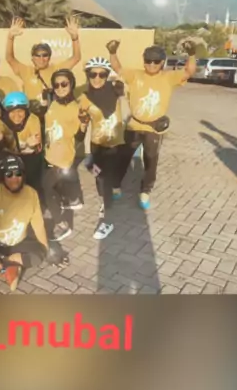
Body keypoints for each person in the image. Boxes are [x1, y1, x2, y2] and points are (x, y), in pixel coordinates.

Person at [107, 39, 197, 209]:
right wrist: (112, 52)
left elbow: (189, 71)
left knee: (151, 161)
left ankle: (145, 191)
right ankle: (116, 185)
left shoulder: (168, 77)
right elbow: (117, 68)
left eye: (156, 61)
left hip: (154, 128)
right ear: (144, 61)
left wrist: (192, 55)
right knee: (123, 158)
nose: (152, 64)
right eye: (148, 60)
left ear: (162, 62)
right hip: (134, 125)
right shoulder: (135, 75)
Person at [0, 154, 49, 291]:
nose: (14, 179)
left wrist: (45, 249)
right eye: (9, 174)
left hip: (17, 244)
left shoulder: (32, 194)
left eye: (18, 173)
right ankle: (6, 266)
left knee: (40, 254)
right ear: (2, 177)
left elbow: (38, 225)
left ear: (23, 175)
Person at [78, 57, 128, 240]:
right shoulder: (85, 97)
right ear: (88, 75)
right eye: (93, 74)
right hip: (97, 145)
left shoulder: (117, 90)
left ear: (107, 75)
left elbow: (129, 109)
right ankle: (105, 204)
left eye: (102, 74)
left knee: (107, 180)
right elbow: (80, 120)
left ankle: (108, 219)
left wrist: (120, 87)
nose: (97, 78)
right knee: (99, 176)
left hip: (115, 145)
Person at [5, 16, 82, 115]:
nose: (41, 58)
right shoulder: (26, 70)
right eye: (38, 55)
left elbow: (76, 58)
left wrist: (75, 38)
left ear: (49, 57)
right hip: (32, 114)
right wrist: (10, 38)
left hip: (52, 114)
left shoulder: (57, 70)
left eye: (45, 55)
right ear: (33, 58)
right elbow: (10, 59)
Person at [42, 68, 84, 242]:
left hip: (62, 159)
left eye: (64, 84)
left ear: (71, 84)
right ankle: (73, 199)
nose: (60, 88)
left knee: (46, 189)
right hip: (50, 154)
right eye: (56, 85)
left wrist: (83, 127)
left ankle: (62, 224)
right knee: (56, 187)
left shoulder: (75, 108)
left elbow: (79, 137)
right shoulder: (54, 104)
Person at [0, 91, 44, 191]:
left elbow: (36, 146)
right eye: (12, 111)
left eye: (20, 111)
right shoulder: (1, 122)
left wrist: (30, 145)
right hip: (9, 157)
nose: (16, 115)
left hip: (29, 157)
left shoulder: (33, 119)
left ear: (26, 111)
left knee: (33, 184)